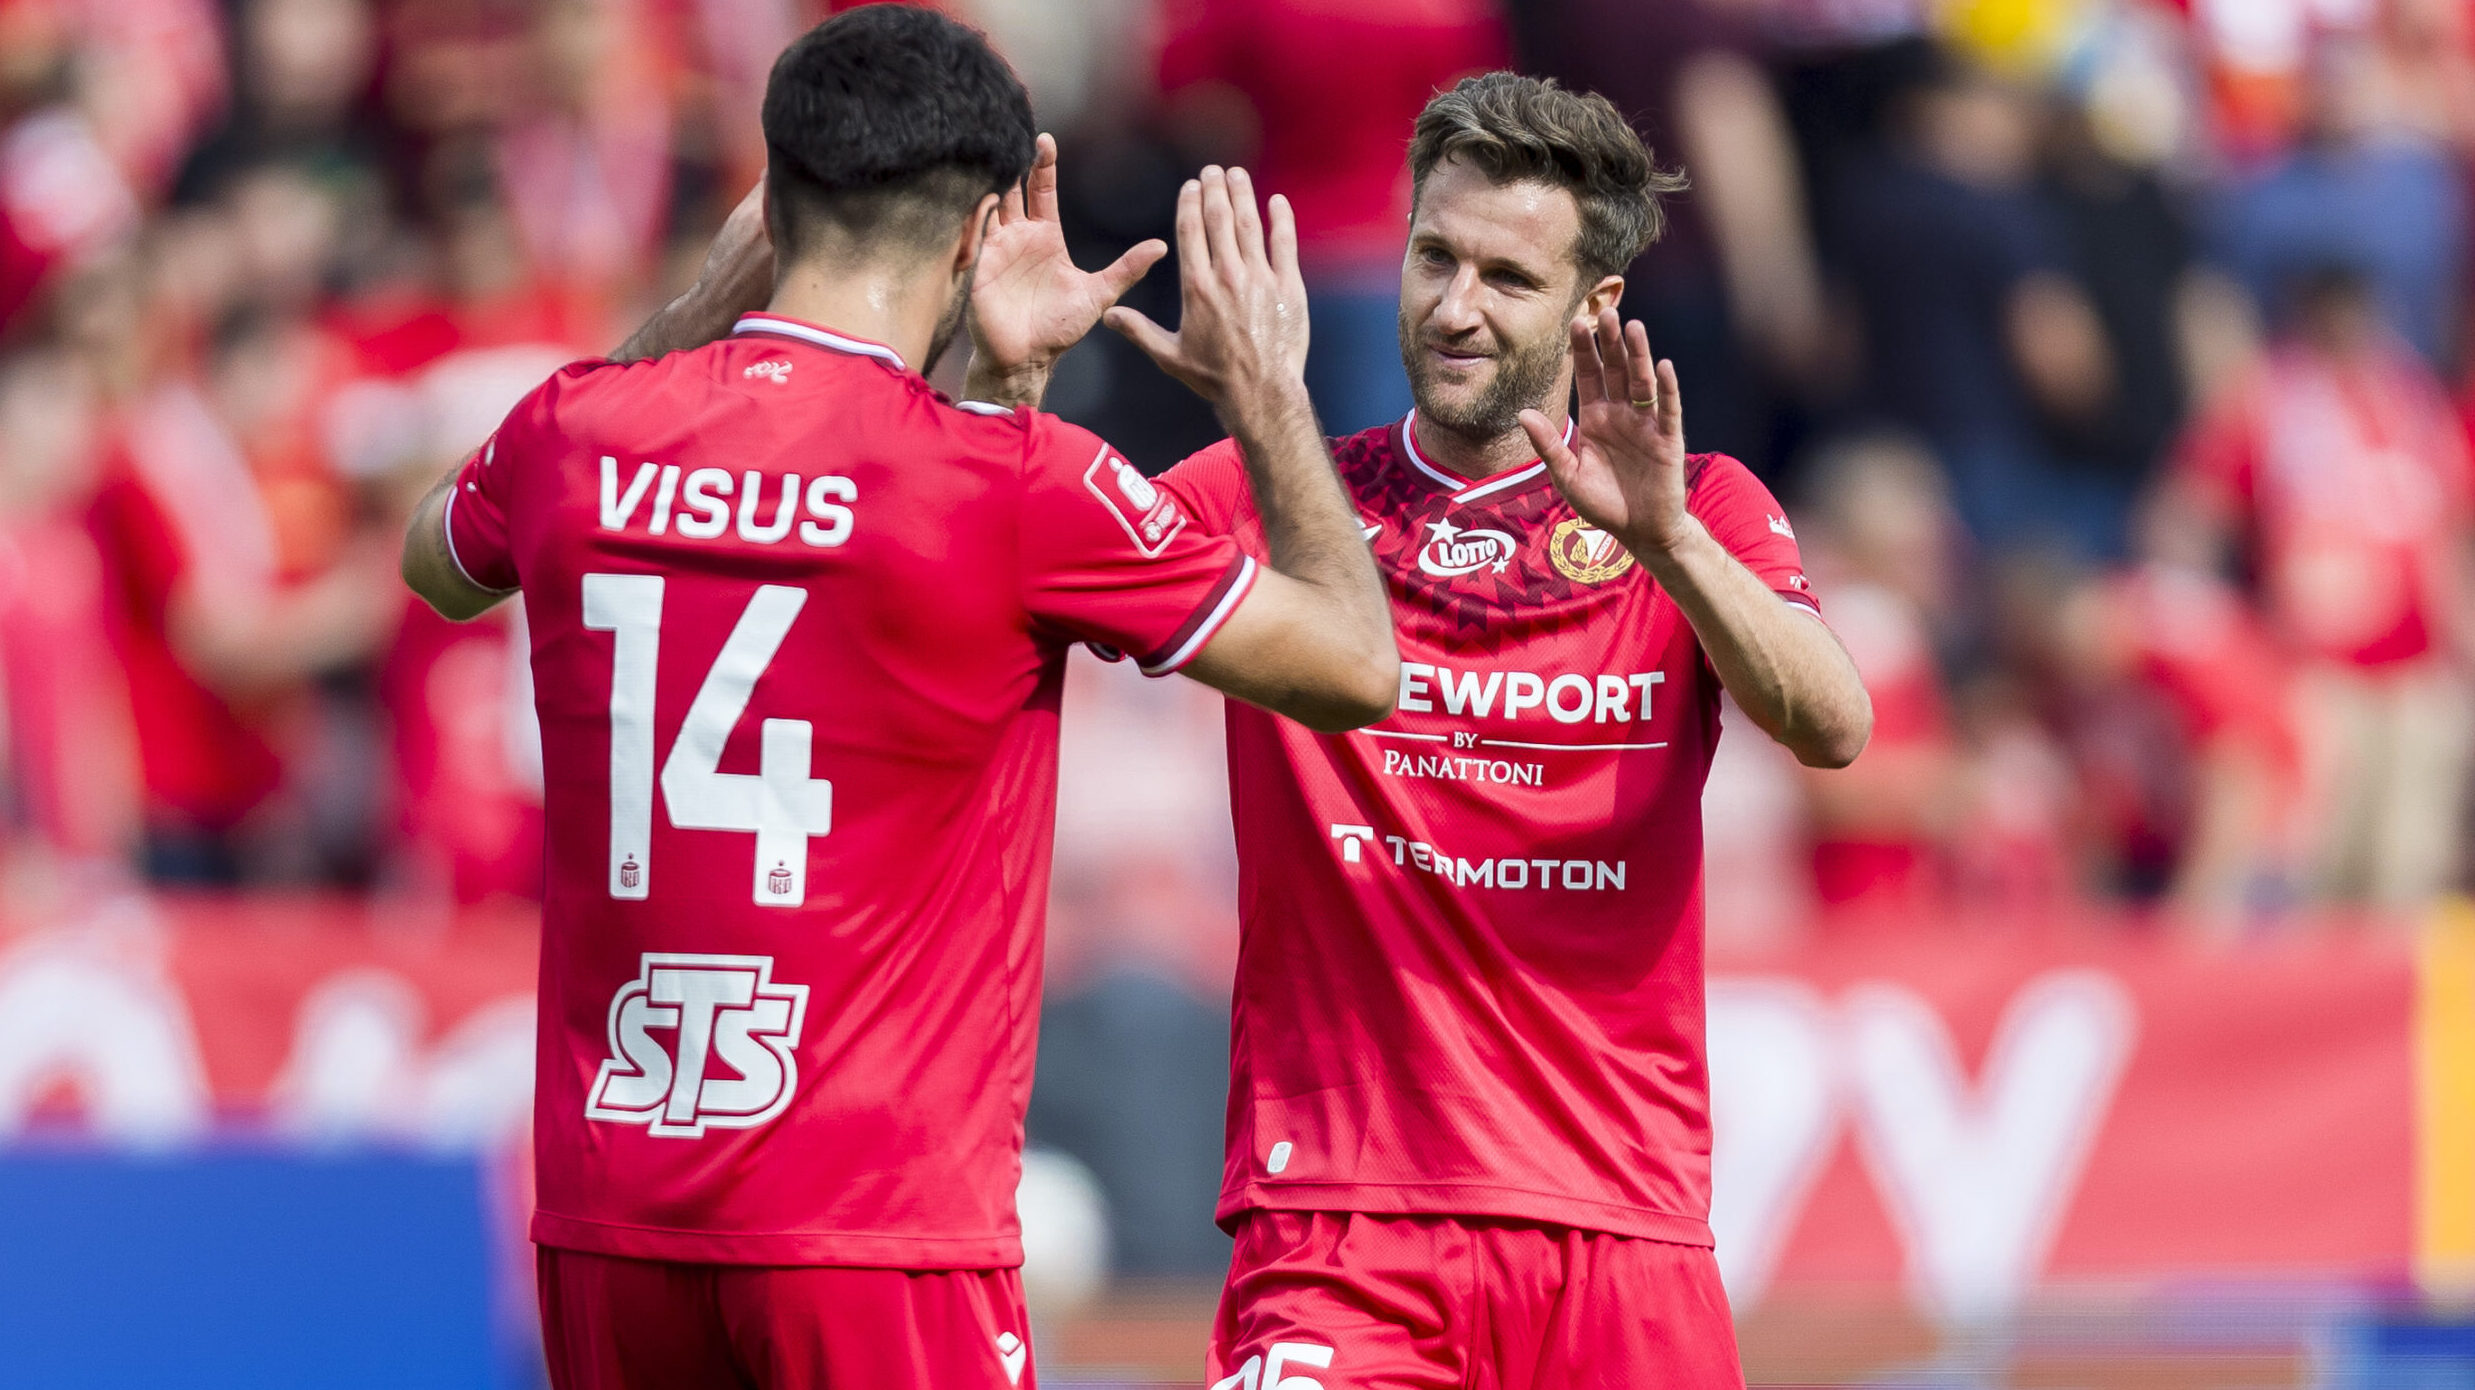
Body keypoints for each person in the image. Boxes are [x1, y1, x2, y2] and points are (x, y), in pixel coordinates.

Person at [398, 8, 1396, 1387]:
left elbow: (435, 561)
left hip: (610, 1214)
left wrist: (696, 312)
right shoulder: (1013, 483)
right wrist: (1267, 397)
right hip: (878, 1232)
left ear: (773, 192)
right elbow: (1355, 665)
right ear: (989, 228)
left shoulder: (575, 431)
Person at [978, 71, 1873, 1386]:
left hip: (1618, 1229)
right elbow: (991, 564)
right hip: (1340, 1231)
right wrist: (1005, 381)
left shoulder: (1698, 511)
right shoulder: (1274, 490)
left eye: (1507, 277)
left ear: (1595, 309)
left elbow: (1832, 723)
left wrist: (1667, 539)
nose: (1454, 306)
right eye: (1432, 256)